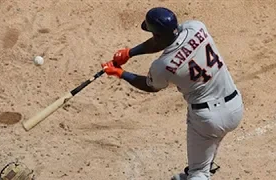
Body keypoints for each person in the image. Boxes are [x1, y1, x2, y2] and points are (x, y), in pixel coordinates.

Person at [101, 7, 244, 180]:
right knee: (203, 156)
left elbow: (149, 86)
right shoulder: (196, 27)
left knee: (199, 173)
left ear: (157, 35)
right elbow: (164, 40)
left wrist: (121, 73)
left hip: (207, 119)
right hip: (235, 107)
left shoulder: (162, 66)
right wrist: (130, 53)